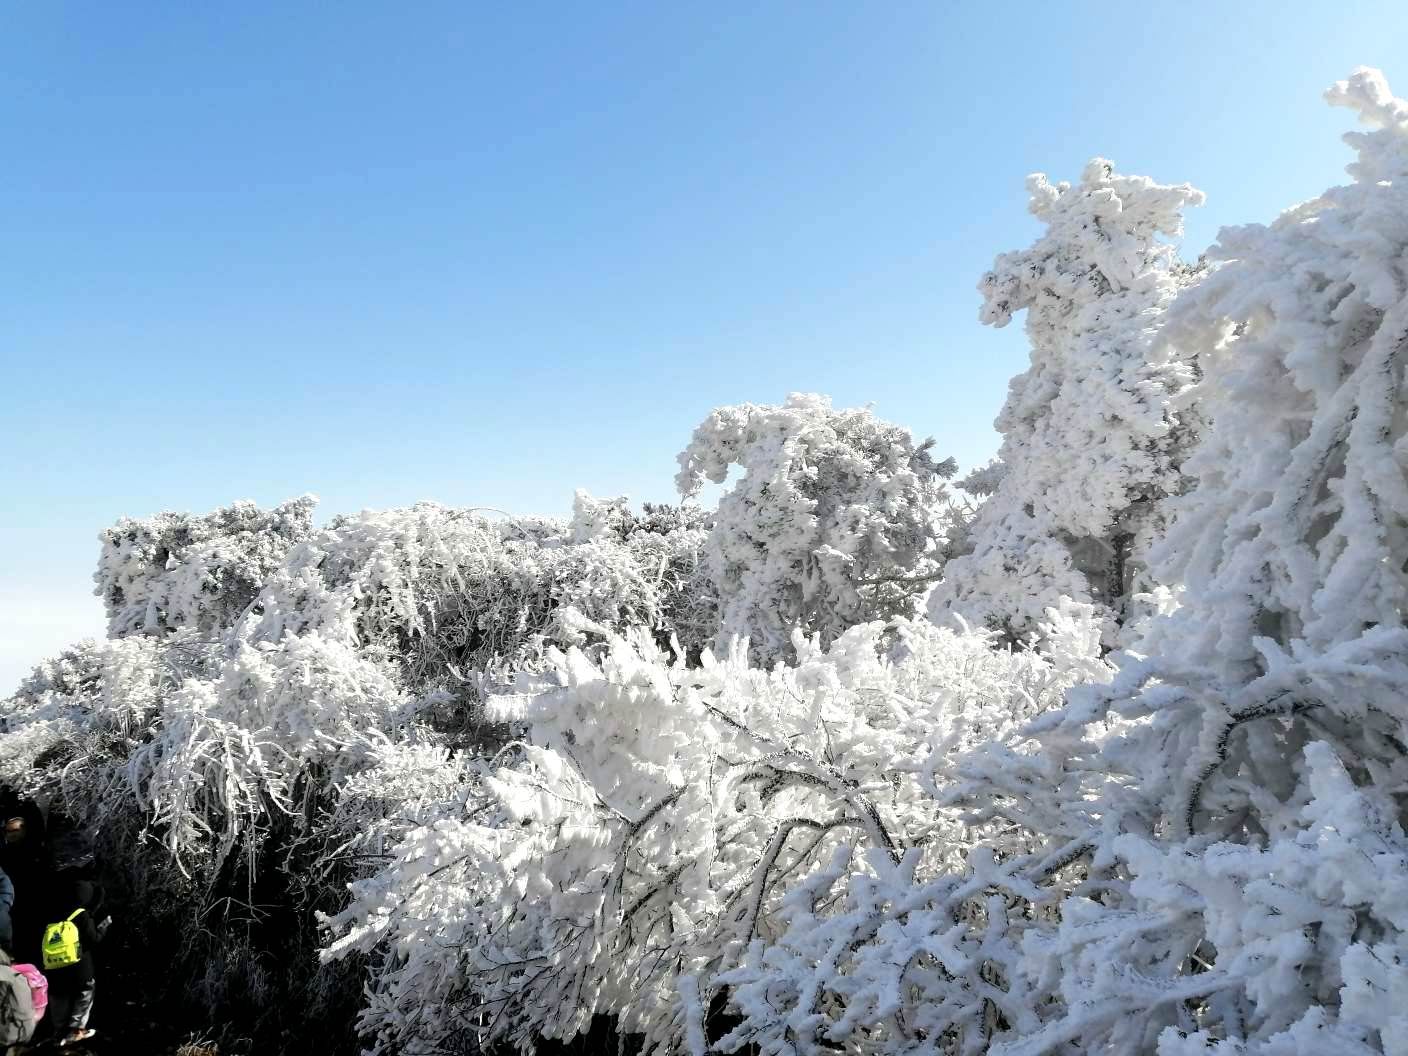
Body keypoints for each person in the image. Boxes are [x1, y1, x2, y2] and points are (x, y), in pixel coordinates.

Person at [41, 875, 103, 1048]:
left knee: (59, 1000)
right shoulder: (82, 915)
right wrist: (103, 928)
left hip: (55, 969)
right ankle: (74, 1032)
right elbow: (92, 939)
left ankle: (58, 1035)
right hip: (80, 970)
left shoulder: (53, 913)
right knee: (83, 997)